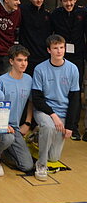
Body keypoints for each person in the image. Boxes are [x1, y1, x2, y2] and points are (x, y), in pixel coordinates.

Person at [32, 34, 80, 181]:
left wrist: (70, 126)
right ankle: (41, 165)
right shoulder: (40, 69)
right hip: (44, 111)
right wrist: (53, 115)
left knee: (54, 157)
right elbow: (37, 99)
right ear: (49, 50)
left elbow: (74, 100)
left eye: (61, 47)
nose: (59, 51)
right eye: (55, 48)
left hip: (63, 113)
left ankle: (36, 138)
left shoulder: (73, 69)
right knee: (49, 127)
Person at [50, 0, 86, 141]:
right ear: (61, 1)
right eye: (65, 0)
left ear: (75, 0)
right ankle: (56, 122)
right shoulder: (55, 15)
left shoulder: (83, 13)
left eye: (71, 0)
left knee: (75, 92)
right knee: (57, 88)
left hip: (77, 57)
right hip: (59, 57)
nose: (68, 3)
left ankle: (74, 127)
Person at [0, 45, 34, 173]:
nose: (23, 64)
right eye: (20, 60)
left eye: (25, 60)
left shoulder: (29, 79)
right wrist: (3, 125)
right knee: (8, 138)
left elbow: (30, 102)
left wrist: (27, 123)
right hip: (0, 126)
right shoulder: (1, 81)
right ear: (11, 61)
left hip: (15, 129)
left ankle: (6, 151)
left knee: (27, 166)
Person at [19, 0, 51, 76]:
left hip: (43, 55)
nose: (39, 0)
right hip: (27, 54)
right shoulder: (22, 10)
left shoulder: (47, 15)